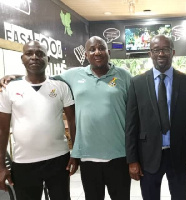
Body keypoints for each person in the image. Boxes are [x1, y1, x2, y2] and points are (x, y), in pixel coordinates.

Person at [0, 36, 132, 200]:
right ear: (85, 55)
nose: (97, 52)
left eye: (101, 48)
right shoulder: (73, 75)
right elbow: (39, 76)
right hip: (88, 157)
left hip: (118, 155)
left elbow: (134, 114)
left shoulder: (125, 76)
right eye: (92, 49)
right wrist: (15, 76)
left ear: (108, 52)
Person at [125, 34, 186, 200]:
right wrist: (132, 160)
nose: (161, 54)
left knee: (180, 196)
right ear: (150, 54)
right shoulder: (137, 83)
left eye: (165, 49)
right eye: (156, 50)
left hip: (179, 155)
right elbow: (131, 125)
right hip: (148, 156)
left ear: (172, 52)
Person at [0, 40, 78, 200]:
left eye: (40, 54)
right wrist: (1, 165)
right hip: (23, 162)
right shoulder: (10, 88)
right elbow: (3, 130)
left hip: (58, 160)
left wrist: (76, 154)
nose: (34, 57)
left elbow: (73, 122)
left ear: (48, 59)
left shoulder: (60, 86)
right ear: (22, 59)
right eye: (29, 54)